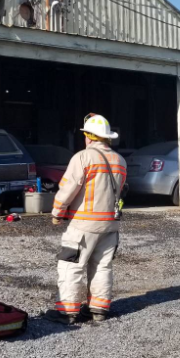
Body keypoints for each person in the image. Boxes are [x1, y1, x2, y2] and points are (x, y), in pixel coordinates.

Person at [44, 114, 127, 325]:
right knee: (102, 266)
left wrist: (57, 212)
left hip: (83, 224)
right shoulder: (120, 160)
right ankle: (98, 309)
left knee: (71, 266)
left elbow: (68, 188)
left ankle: (67, 312)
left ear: (89, 136)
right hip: (110, 225)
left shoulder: (83, 157)